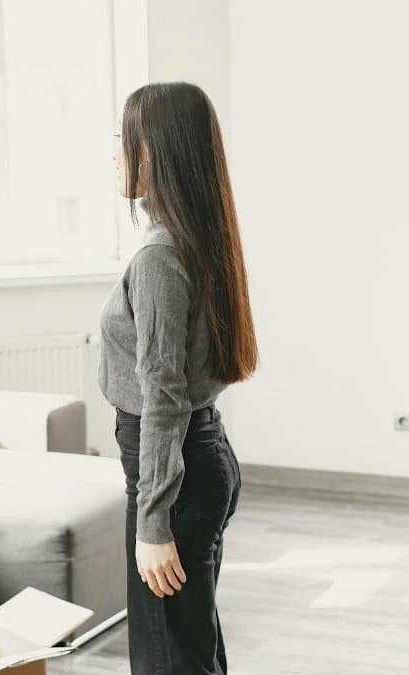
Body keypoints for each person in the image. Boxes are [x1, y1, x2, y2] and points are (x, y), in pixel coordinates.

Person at [99, 82, 258, 674]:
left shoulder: (159, 258)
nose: (115, 153)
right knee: (191, 650)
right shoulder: (199, 239)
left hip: (175, 471)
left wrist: (153, 521)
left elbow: (162, 400)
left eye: (123, 139)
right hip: (199, 456)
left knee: (169, 661)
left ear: (152, 154)